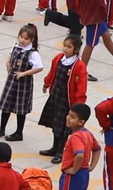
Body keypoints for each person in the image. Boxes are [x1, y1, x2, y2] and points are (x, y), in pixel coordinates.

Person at [37, 32, 88, 163]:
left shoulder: (79, 66)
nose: (65, 49)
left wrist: (78, 104)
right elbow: (52, 72)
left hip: (67, 101)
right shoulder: (59, 58)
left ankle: (61, 150)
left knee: (65, 127)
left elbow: (81, 86)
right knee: (56, 123)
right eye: (64, 46)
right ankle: (54, 148)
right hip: (56, 96)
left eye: (69, 47)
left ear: (75, 50)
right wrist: (47, 83)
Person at [0, 22, 45, 142]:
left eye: (26, 38)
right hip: (12, 80)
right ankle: (1, 128)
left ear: (31, 40)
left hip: (23, 84)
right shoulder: (15, 47)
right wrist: (8, 63)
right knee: (6, 106)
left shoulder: (33, 53)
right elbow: (10, 57)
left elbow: (39, 67)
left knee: (20, 108)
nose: (23, 40)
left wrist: (24, 73)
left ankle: (19, 132)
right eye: (21, 37)